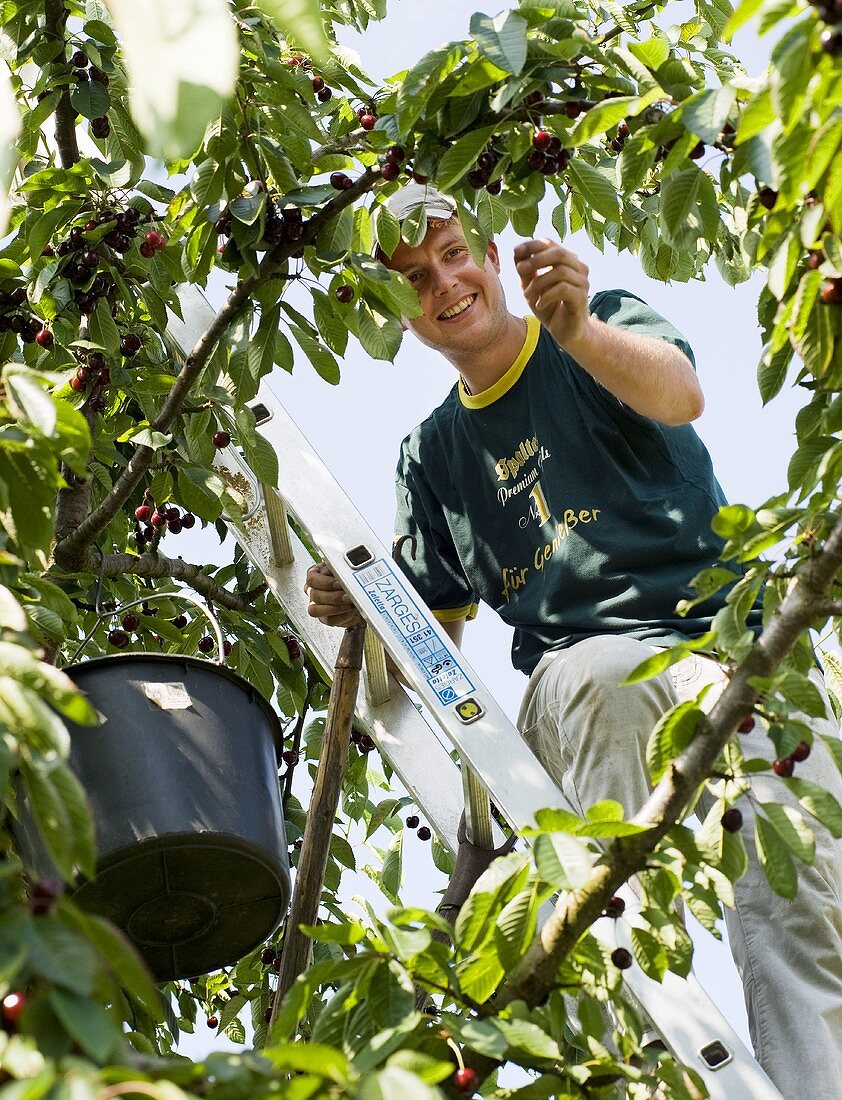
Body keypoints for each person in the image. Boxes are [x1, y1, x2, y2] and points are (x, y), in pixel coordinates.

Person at [304, 184, 842, 1099]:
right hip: (589, 673)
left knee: (810, 909)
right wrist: (365, 602)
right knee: (622, 923)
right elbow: (433, 642)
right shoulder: (433, 457)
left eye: (453, 255)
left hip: (745, 650)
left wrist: (582, 333)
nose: (444, 284)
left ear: (487, 252)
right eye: (414, 277)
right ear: (401, 310)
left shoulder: (598, 324)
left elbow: (681, 394)